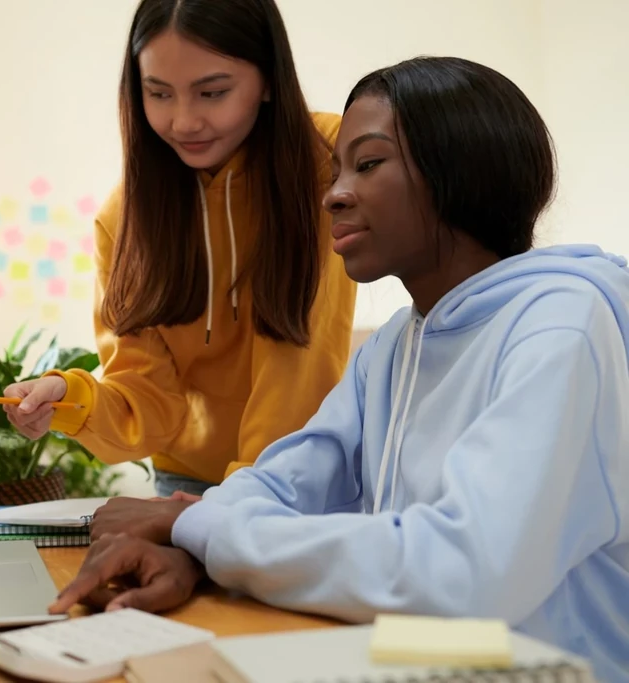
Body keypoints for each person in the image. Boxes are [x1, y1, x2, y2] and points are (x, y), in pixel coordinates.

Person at [48, 56, 629, 683]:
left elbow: (463, 572)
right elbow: (285, 484)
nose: (333, 194)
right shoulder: (392, 347)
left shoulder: (563, 324)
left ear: (460, 168)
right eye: (336, 170)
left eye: (368, 164)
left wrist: (198, 527)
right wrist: (194, 549)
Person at [4, 0, 357, 512]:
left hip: (298, 481)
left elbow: (295, 374)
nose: (185, 121)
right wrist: (69, 397)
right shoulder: (124, 218)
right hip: (184, 489)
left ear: (269, 80)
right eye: (159, 93)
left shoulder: (332, 159)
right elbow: (146, 396)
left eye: (213, 93)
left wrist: (241, 498)